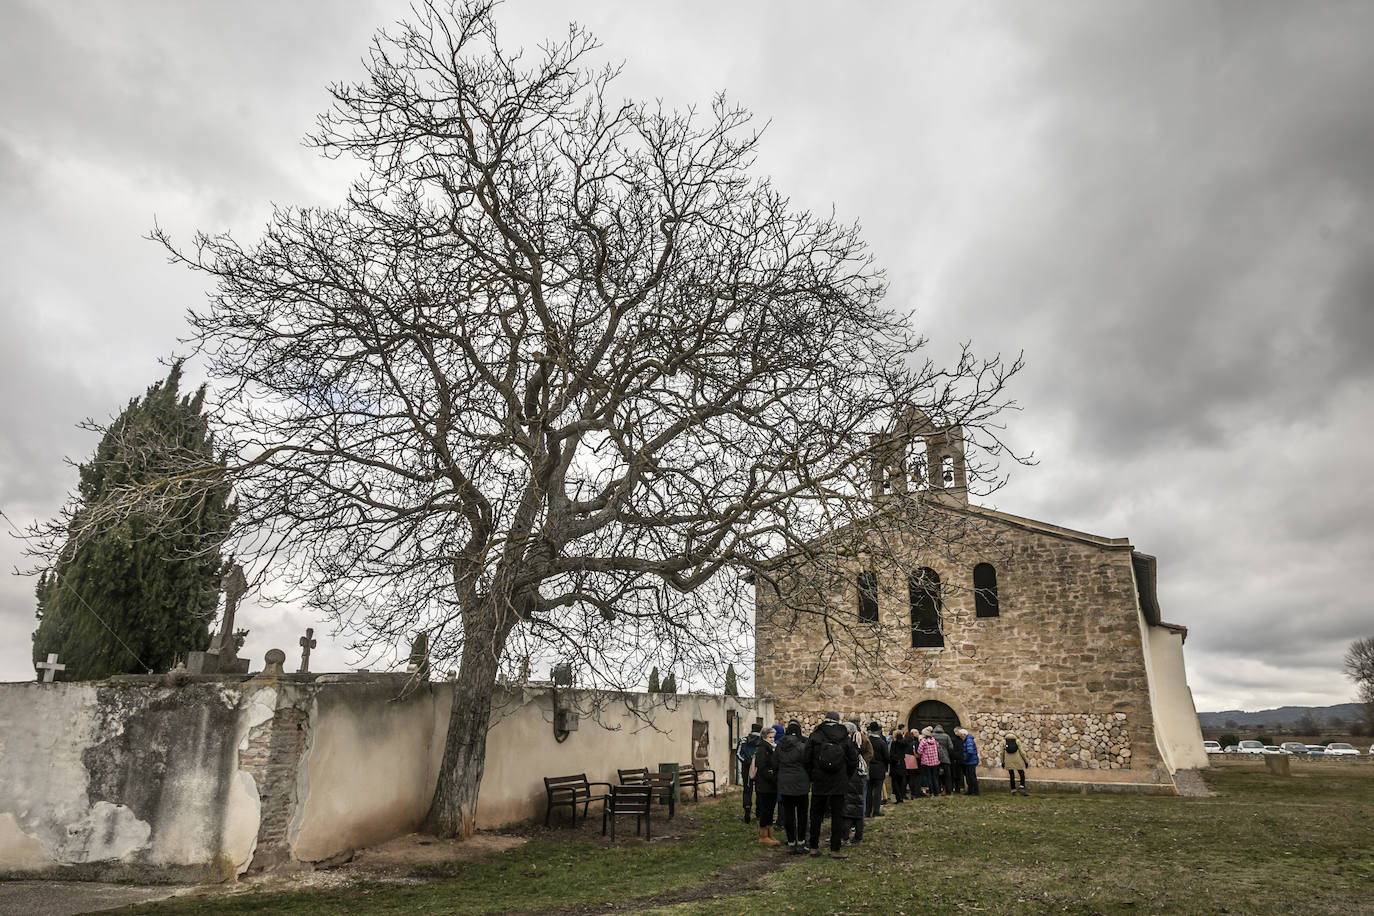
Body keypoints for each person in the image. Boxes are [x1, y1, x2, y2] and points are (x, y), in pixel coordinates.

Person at [806, 710, 859, 859]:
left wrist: (812, 775)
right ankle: (835, 849)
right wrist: (846, 775)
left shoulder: (815, 735)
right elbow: (853, 759)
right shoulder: (844, 736)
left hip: (819, 781)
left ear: (825, 719)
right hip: (839, 781)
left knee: (816, 814)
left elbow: (806, 758)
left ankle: (814, 847)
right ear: (838, 720)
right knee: (838, 815)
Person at [776, 719, 811, 854]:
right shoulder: (803, 746)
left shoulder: (779, 747)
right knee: (802, 814)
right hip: (801, 784)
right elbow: (808, 764)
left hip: (785, 784)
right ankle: (801, 841)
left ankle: (791, 842)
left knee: (789, 815)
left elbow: (774, 763)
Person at [753, 724, 783, 844]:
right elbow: (763, 768)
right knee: (766, 810)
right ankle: (763, 836)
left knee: (770, 810)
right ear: (764, 737)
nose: (772, 739)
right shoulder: (762, 749)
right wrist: (773, 778)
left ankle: (770, 834)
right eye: (770, 737)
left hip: (770, 785)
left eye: (773, 737)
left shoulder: (770, 748)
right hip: (765, 785)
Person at [841, 721, 867, 845]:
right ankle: (859, 836)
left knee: (848, 810)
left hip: (849, 779)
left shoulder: (846, 746)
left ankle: (845, 837)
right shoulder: (858, 745)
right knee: (857, 808)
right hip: (859, 779)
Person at [738, 722, 762, 822]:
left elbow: (739, 754)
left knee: (747, 790)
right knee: (759, 790)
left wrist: (746, 761)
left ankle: (747, 810)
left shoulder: (744, 740)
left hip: (746, 769)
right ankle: (759, 812)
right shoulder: (762, 741)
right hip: (759, 769)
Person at [865, 721, 889, 816]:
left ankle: (867, 811)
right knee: (878, 791)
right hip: (879, 767)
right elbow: (886, 757)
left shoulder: (867, 741)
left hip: (869, 767)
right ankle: (876, 811)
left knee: (869, 790)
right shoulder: (881, 742)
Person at [957, 727, 981, 796]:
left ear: (964, 734)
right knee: (968, 777)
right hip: (969, 761)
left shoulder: (968, 740)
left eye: (961, 735)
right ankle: (970, 790)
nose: (961, 737)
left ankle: (975, 791)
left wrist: (966, 759)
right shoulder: (967, 740)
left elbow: (970, 752)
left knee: (972, 777)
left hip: (971, 762)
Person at [917, 727, 940, 797]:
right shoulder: (934, 740)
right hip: (935, 761)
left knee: (929, 777)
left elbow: (919, 751)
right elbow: (938, 746)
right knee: (935, 777)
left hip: (927, 762)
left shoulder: (923, 741)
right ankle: (937, 792)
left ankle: (931, 792)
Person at [888, 726, 909, 803]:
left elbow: (891, 754)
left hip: (895, 763)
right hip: (902, 763)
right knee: (902, 781)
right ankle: (902, 796)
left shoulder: (894, 743)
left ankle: (898, 797)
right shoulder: (904, 743)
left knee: (895, 781)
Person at [933, 724, 954, 796]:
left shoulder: (932, 736)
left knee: (936, 775)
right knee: (947, 776)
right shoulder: (946, 736)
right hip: (945, 758)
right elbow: (951, 747)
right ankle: (948, 791)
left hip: (935, 758)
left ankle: (937, 790)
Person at [904, 728, 924, 799]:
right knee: (913, 778)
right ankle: (914, 793)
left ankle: (904, 793)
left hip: (905, 761)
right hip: (913, 762)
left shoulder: (903, 742)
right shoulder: (914, 743)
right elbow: (917, 752)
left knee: (906, 778)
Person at [949, 721, 967, 794]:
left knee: (959, 775)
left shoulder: (962, 739)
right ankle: (956, 789)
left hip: (960, 759)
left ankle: (958, 788)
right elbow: (951, 749)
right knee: (956, 775)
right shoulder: (953, 739)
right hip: (956, 759)